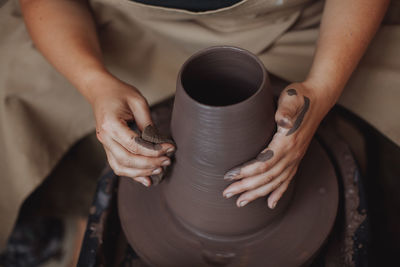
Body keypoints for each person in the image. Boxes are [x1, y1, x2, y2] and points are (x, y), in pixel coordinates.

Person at [1, 0, 398, 250]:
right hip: (129, 29)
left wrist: (322, 90)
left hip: (301, 24)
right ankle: (41, 224)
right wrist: (93, 82)